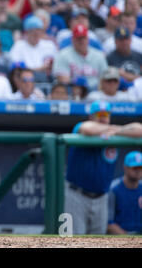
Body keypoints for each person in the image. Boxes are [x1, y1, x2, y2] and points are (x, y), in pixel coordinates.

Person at [64, 100, 142, 235]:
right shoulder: (81, 127)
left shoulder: (113, 132)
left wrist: (113, 131)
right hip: (77, 195)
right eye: (98, 114)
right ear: (91, 116)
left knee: (98, 242)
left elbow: (139, 129)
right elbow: (88, 129)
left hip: (101, 197)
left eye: (105, 114)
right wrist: (115, 130)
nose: (102, 117)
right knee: (73, 241)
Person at [53, 24, 108, 91]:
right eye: (78, 38)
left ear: (88, 39)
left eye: (83, 38)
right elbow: (63, 80)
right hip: (73, 93)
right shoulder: (63, 55)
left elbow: (105, 79)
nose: (81, 41)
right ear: (72, 40)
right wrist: (75, 82)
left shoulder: (99, 55)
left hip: (96, 93)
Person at [8, 16, 57, 82]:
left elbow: (56, 65)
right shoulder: (19, 45)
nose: (36, 34)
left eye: (38, 31)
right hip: (25, 81)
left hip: (47, 80)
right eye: (32, 32)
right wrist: (39, 69)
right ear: (27, 32)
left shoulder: (49, 45)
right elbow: (16, 69)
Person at [107, 151, 142, 235]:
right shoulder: (113, 189)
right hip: (120, 238)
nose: (138, 171)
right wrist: (128, 239)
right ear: (125, 168)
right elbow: (108, 223)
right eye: (134, 168)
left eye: (140, 168)